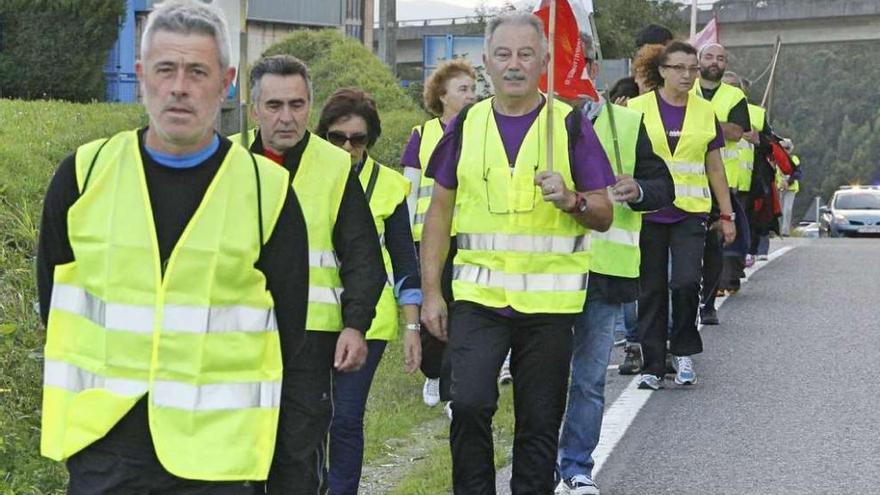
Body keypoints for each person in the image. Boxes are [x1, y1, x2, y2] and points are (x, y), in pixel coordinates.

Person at [36, 1, 310, 492]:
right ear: (142, 76)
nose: (179, 87)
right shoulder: (83, 175)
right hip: (104, 446)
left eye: (197, 71)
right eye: (165, 69)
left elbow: (288, 329)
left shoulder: (267, 192)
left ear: (226, 81)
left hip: (218, 457)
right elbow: (53, 306)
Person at [420, 12, 615, 493]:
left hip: (550, 307)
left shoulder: (568, 124)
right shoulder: (466, 124)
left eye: (525, 54)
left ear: (543, 60)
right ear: (486, 62)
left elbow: (604, 212)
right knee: (466, 405)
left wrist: (571, 200)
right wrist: (429, 293)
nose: (514, 65)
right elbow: (439, 213)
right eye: (503, 54)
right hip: (478, 300)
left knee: (539, 421)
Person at [234, 54, 387, 494]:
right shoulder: (225, 160)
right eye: (275, 105)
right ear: (254, 109)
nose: (287, 117)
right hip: (234, 337)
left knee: (297, 459)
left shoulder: (335, 165)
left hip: (309, 340)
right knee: (238, 458)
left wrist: (356, 324)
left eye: (298, 105)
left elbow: (362, 256)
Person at [555, 44, 675, 495]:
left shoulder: (626, 123)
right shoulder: (537, 123)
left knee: (587, 378)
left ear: (593, 69)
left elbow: (664, 187)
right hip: (544, 274)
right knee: (544, 378)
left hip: (604, 274)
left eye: (580, 66)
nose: (572, 75)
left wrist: (639, 188)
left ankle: (577, 467)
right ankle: (540, 464)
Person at [315, 88, 423, 495]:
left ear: (370, 140)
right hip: (311, 315)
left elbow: (403, 263)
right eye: (337, 137)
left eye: (357, 139)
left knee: (345, 417)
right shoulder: (305, 177)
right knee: (310, 417)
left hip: (368, 323)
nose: (347, 147)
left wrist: (412, 329)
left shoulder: (390, 186)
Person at [627, 41, 736, 391]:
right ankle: (653, 364)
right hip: (647, 213)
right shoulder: (635, 108)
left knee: (686, 282)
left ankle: (684, 349)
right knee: (652, 289)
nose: (687, 75)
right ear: (662, 71)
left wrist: (727, 213)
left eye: (693, 69)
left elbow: (715, 167)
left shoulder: (705, 112)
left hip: (691, 213)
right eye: (679, 68)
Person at [400, 59, 477, 409]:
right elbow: (409, 188)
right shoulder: (423, 134)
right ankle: (433, 372)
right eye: (463, 89)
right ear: (442, 96)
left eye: (473, 89)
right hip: (428, 238)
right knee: (434, 306)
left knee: (465, 312)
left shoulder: (480, 131)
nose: (471, 96)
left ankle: (452, 386)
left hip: (469, 238)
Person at [692, 43, 750, 325]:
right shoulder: (685, 87)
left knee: (713, 244)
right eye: (709, 57)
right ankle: (685, 297)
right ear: (699, 60)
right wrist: (717, 125)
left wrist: (701, 121)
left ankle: (708, 302)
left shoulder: (734, 95)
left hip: (719, 181)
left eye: (721, 58)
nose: (715, 62)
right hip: (685, 178)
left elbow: (737, 131)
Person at [778, 138, 801, 236]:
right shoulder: (776, 159)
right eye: (783, 148)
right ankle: (777, 230)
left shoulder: (794, 159)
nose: (785, 150)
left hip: (790, 189)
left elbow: (798, 173)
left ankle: (785, 231)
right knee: (779, 211)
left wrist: (789, 182)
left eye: (787, 148)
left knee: (787, 209)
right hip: (779, 188)